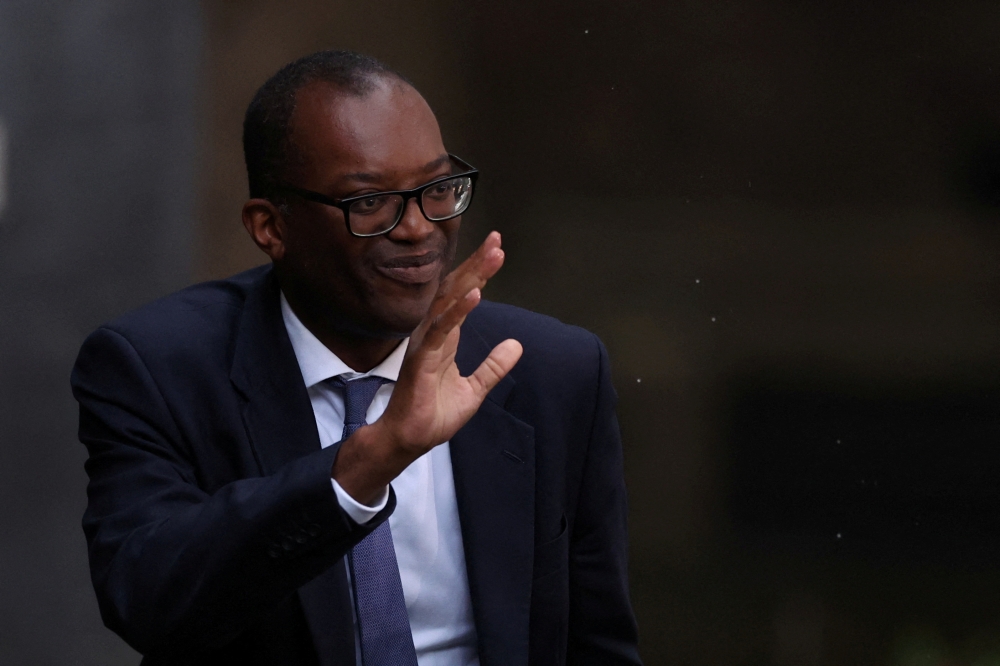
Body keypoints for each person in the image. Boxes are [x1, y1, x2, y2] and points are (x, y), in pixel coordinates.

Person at [72, 50, 640, 666]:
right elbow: (148, 600)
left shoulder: (548, 371)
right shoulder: (158, 368)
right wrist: (365, 465)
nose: (420, 228)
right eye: (370, 202)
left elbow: (597, 643)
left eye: (437, 188)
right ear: (271, 228)